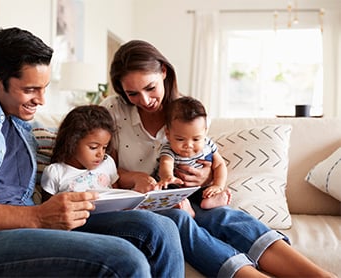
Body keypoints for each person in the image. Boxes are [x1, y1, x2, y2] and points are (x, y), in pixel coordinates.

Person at [0, 28, 185, 277]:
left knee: (159, 228)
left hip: (27, 225)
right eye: (31, 89)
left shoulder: (24, 124)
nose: (42, 100)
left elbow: (75, 156)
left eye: (45, 88)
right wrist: (37, 217)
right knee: (124, 258)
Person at [101, 39, 334, 277]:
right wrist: (135, 178)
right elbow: (101, 169)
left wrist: (206, 176)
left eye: (150, 88)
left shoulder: (189, 113)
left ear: (163, 72)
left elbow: (206, 159)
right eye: (132, 93)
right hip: (141, 203)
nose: (145, 100)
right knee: (178, 221)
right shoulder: (113, 110)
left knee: (225, 216)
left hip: (187, 194)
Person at [155, 96, 231, 217]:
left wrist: (218, 185)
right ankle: (185, 208)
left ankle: (212, 200)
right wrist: (168, 176)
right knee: (166, 194)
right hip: (176, 188)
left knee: (207, 192)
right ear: (168, 134)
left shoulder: (208, 144)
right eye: (180, 139)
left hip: (199, 188)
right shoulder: (169, 148)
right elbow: (166, 163)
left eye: (196, 139)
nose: (188, 145)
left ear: (205, 132)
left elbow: (220, 164)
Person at [41, 105, 118, 201]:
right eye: (93, 147)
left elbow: (117, 194)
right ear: (72, 142)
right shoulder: (55, 172)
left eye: (104, 147)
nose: (101, 154)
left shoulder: (107, 163)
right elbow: (47, 209)